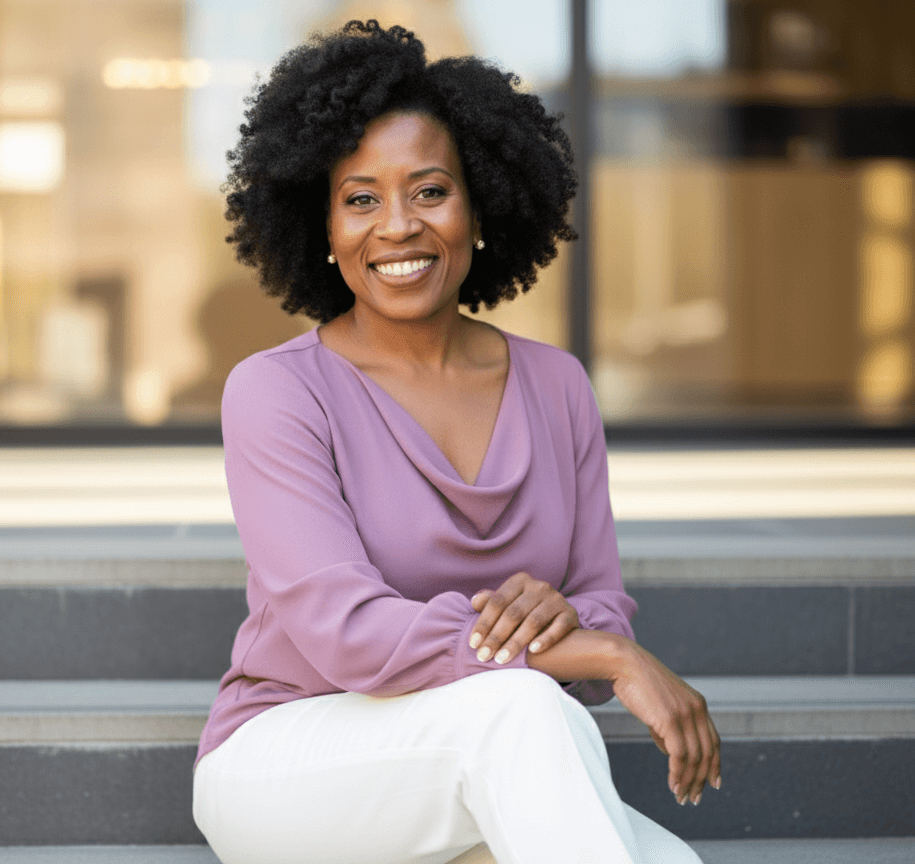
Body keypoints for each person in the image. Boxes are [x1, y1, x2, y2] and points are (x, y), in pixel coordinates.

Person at [193, 20, 720, 864]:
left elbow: (598, 595)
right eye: (360, 198)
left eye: (429, 191)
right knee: (523, 706)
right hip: (292, 759)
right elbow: (345, 631)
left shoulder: (557, 387)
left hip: (486, 756)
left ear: (481, 208)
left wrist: (575, 624)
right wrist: (602, 653)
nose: (396, 226)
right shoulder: (278, 392)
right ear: (323, 230)